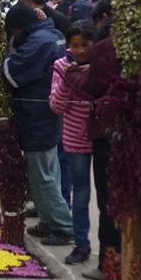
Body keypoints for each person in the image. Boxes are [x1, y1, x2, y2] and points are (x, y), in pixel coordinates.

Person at [2, 2, 73, 246]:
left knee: (43, 176)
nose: (13, 37)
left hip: (38, 116)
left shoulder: (38, 43)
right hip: (44, 114)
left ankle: (63, 226)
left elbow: (11, 72)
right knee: (47, 172)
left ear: (18, 28)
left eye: (13, 33)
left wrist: (6, 53)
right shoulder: (50, 33)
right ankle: (48, 220)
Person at [66, 0, 123, 280]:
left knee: (108, 200)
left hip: (107, 133)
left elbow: (92, 88)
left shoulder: (106, 48)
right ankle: (129, 262)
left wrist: (73, 73)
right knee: (120, 199)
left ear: (102, 18)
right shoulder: (133, 45)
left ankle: (111, 263)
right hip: (123, 132)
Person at [49, 22, 97, 265]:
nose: (78, 51)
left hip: (101, 140)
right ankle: (81, 243)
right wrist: (69, 81)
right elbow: (57, 106)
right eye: (74, 45)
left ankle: (111, 248)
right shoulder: (61, 66)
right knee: (80, 194)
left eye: (84, 46)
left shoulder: (102, 67)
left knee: (108, 196)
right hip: (75, 139)